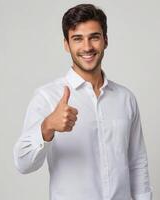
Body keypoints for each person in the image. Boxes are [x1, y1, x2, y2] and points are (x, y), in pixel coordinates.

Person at [13, 4, 152, 200]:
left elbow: (137, 162)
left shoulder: (125, 98)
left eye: (94, 37)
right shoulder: (47, 97)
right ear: (66, 44)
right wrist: (47, 127)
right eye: (77, 39)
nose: (87, 47)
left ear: (105, 40)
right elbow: (23, 163)